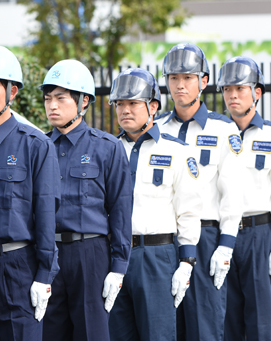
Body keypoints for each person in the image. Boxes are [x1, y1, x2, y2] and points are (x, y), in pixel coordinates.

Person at [0, 46, 60, 340]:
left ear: (12, 92)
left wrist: (44, 273)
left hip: (18, 266)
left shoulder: (35, 145)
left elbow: (45, 213)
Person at [155, 43, 245, 341]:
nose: (180, 85)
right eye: (174, 78)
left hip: (207, 239)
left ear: (203, 82)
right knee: (166, 325)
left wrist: (226, 245)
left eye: (188, 78)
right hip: (165, 241)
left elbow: (233, 192)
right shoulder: (155, 129)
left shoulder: (223, 130)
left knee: (204, 325)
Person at [40, 59, 133, 341]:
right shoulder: (38, 147)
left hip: (90, 254)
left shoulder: (107, 148)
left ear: (83, 102)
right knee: (49, 332)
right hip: (48, 253)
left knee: (92, 333)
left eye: (60, 98)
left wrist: (118, 267)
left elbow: (120, 209)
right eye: (47, 99)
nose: (52, 106)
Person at [108, 68, 202, 341]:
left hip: (157, 256)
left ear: (153, 106)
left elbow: (189, 210)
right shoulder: (109, 150)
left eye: (133, 103)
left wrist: (186, 261)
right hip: (115, 258)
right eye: (119, 104)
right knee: (118, 333)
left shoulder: (177, 151)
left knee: (158, 335)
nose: (125, 110)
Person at [217, 57, 271, 341]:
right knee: (226, 323)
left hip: (258, 236)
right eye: (227, 89)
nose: (233, 95)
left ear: (257, 92)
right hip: (221, 237)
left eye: (240, 88)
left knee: (262, 323)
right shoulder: (215, 135)